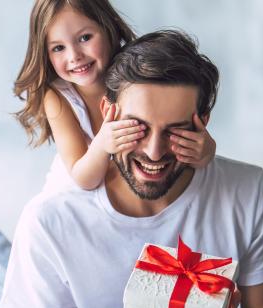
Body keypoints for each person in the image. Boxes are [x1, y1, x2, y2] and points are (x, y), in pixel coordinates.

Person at [0, 30, 263, 308]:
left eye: (175, 131)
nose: (154, 152)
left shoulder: (249, 194)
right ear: (108, 113)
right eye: (138, 127)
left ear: (203, 123)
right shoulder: (49, 220)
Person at [14, 0, 216, 194]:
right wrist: (102, 144)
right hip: (80, 189)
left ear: (108, 28)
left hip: (129, 188)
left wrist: (206, 150)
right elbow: (84, 180)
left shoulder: (134, 74)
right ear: (45, 54)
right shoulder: (58, 98)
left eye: (84, 38)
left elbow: (183, 151)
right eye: (58, 48)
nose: (74, 56)